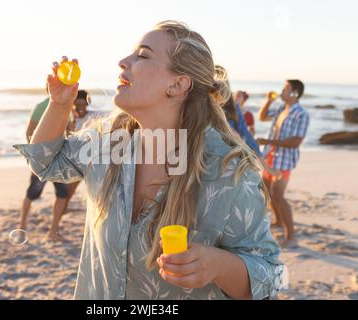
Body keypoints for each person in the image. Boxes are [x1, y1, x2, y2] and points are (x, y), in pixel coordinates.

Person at [14, 20, 283, 300]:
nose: (123, 62)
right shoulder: (107, 143)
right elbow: (45, 163)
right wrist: (59, 105)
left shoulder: (228, 171)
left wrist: (219, 265)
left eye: (142, 55)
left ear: (178, 84)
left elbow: (272, 277)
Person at [19, 92, 80, 242]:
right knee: (32, 193)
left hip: (59, 160)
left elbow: (69, 132)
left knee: (62, 194)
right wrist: (36, 154)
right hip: (42, 161)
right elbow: (29, 131)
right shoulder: (41, 107)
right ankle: (22, 228)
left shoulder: (68, 107)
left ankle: (53, 231)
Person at [257, 80, 310, 249]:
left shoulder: (301, 114)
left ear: (294, 92)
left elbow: (295, 142)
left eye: (285, 88)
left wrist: (267, 140)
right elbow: (262, 117)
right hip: (270, 157)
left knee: (278, 196)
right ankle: (278, 221)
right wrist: (268, 101)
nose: (282, 90)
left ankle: (291, 236)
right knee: (267, 193)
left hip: (284, 161)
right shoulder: (281, 108)